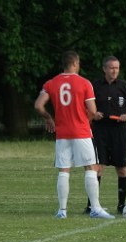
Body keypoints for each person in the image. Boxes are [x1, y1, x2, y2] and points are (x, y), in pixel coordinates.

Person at [34, 51, 116, 220]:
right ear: (75, 63)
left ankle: (62, 210)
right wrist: (88, 117)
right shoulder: (84, 83)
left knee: (64, 170)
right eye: (78, 63)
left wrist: (49, 118)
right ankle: (95, 208)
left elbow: (38, 105)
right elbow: (92, 110)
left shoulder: (51, 83)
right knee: (91, 168)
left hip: (62, 133)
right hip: (81, 131)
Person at [89, 55, 126, 214]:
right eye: (111, 68)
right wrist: (93, 114)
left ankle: (121, 205)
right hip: (100, 131)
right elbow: (85, 107)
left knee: (123, 169)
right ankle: (92, 205)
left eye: (117, 68)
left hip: (119, 132)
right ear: (104, 69)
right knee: (97, 168)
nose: (114, 71)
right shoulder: (94, 86)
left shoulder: (124, 86)